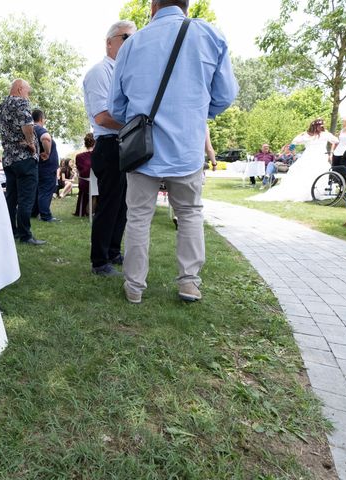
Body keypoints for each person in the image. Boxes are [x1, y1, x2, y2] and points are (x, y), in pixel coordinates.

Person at [109, 0, 238, 303]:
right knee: (190, 213)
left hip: (142, 150)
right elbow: (225, 96)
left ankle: (134, 287)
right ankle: (189, 283)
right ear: (187, 5)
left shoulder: (132, 43)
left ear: (153, 6)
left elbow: (116, 106)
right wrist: (195, 113)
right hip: (187, 146)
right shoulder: (209, 35)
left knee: (139, 217)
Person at [83, 19, 137, 276]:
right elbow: (102, 117)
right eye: (126, 37)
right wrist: (137, 126)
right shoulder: (100, 72)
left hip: (125, 144)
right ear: (109, 42)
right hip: (109, 144)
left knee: (123, 204)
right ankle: (99, 261)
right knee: (109, 203)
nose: (131, 43)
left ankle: (113, 251)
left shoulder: (126, 72)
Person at [0, 79, 45, 245]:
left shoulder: (1, 106)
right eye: (27, 91)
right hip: (24, 157)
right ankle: (26, 235)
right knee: (26, 198)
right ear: (19, 89)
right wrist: (31, 143)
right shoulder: (21, 102)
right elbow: (28, 125)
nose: (28, 95)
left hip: (9, 158)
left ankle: (12, 231)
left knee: (11, 197)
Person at [251, 118, 339, 202]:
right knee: (307, 175)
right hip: (312, 157)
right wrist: (331, 152)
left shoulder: (310, 134)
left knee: (316, 174)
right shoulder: (320, 134)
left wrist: (331, 153)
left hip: (316, 157)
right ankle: (310, 192)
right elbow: (336, 141)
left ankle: (316, 191)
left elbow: (294, 142)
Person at [32, 109, 60, 222]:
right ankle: (46, 215)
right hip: (47, 167)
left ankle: (34, 212)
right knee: (46, 191)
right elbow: (46, 138)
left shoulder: (31, 130)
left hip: (38, 166)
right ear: (41, 118)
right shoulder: (39, 129)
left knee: (38, 191)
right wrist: (47, 153)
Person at [74, 133, 95, 217]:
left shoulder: (79, 156)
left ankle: (82, 210)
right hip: (99, 183)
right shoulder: (100, 155)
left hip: (86, 183)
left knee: (84, 182)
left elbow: (81, 171)